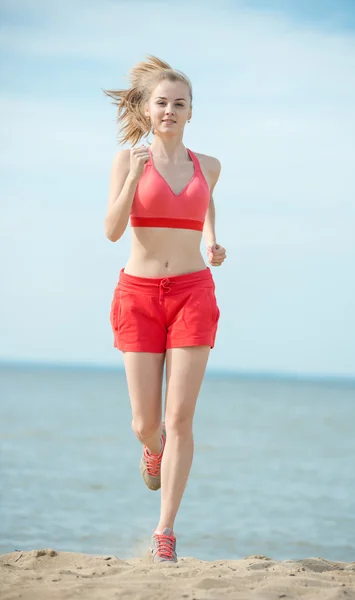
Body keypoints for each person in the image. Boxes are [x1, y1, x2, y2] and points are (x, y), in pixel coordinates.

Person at [103, 55, 227, 563]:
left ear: (191, 111)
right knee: (144, 423)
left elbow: (206, 203)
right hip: (138, 294)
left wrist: (214, 240)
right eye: (162, 103)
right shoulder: (127, 159)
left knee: (181, 419)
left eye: (180, 103)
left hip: (193, 293)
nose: (170, 110)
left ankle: (165, 532)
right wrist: (133, 178)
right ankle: (150, 450)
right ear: (148, 109)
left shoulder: (209, 166)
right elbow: (112, 231)